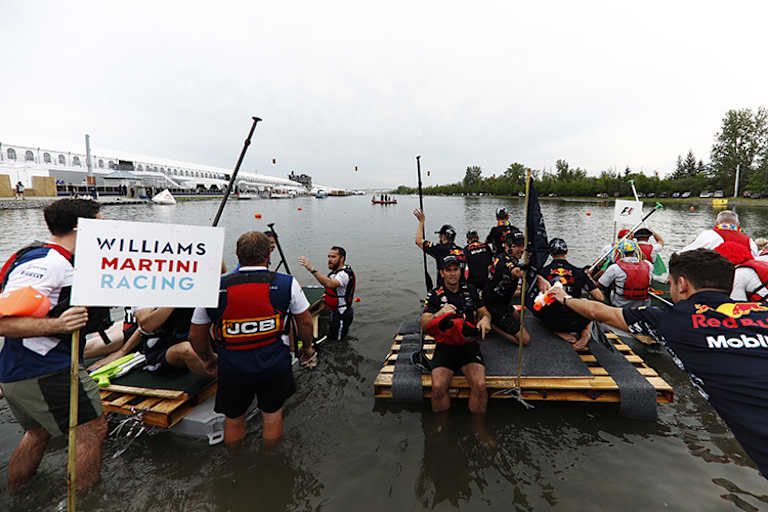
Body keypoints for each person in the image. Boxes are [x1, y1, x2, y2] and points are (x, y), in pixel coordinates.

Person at [548, 249, 768, 479]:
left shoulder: (672, 320)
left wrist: (564, 298)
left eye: (671, 283)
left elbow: (599, 311)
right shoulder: (763, 311)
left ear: (681, 284)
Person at [0, 199, 107, 490]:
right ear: (81, 228)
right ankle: (86, 500)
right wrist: (58, 325)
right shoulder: (47, 264)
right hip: (45, 370)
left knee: (37, 433)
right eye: (100, 222)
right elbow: (3, 321)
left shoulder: (61, 260)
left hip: (23, 370)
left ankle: (17, 493)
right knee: (92, 430)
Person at [189, 232, 315, 443]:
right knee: (272, 414)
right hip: (273, 363)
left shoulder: (213, 286)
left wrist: (209, 359)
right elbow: (306, 322)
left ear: (237, 254)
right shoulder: (287, 283)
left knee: (234, 418)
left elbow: (196, 334)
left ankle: (234, 463)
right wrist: (307, 347)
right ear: (268, 255)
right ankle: (271, 461)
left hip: (232, 365)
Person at [421, 255, 492, 413]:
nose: (452, 273)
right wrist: (439, 313)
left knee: (480, 386)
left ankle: (478, 428)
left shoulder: (471, 289)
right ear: (442, 273)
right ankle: (441, 430)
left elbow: (485, 313)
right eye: (448, 270)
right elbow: (424, 325)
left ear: (460, 271)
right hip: (445, 345)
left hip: (468, 344)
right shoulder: (434, 294)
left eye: (455, 269)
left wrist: (485, 320)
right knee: (438, 387)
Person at [534, 238, 604, 349]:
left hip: (553, 321)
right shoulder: (579, 272)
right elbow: (600, 298)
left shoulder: (541, 273)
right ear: (566, 252)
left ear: (550, 253)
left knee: (538, 302)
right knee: (586, 303)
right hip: (576, 320)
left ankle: (557, 331)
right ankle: (585, 331)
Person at [133, 306, 212, 376]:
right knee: (187, 350)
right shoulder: (148, 293)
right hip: (162, 348)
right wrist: (176, 299)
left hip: (198, 336)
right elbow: (147, 326)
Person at [298, 246, 356, 341]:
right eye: (329, 257)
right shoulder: (335, 273)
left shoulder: (344, 275)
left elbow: (330, 284)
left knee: (338, 341)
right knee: (332, 335)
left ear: (342, 258)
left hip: (342, 314)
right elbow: (326, 285)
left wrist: (312, 269)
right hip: (334, 311)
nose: (329, 260)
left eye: (333, 257)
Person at [484, 229, 530, 344]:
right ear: (507, 247)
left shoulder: (503, 256)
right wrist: (532, 272)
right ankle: (493, 325)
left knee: (519, 320)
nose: (521, 249)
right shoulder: (506, 262)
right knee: (525, 340)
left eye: (522, 245)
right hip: (495, 306)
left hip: (502, 301)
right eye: (517, 246)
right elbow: (516, 271)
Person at [680, 210, 758, 265]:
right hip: (741, 280)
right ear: (737, 224)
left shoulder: (709, 235)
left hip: (714, 279)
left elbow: (683, 254)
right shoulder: (750, 241)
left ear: (717, 223)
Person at [413, 208, 464, 286]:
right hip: (462, 291)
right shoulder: (462, 251)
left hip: (445, 292)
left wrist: (421, 222)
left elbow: (418, 241)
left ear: (443, 236)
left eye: (440, 236)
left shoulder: (439, 249)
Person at [598, 240, 653, 308]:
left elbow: (601, 284)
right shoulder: (648, 265)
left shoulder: (614, 267)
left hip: (621, 303)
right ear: (634, 251)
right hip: (643, 303)